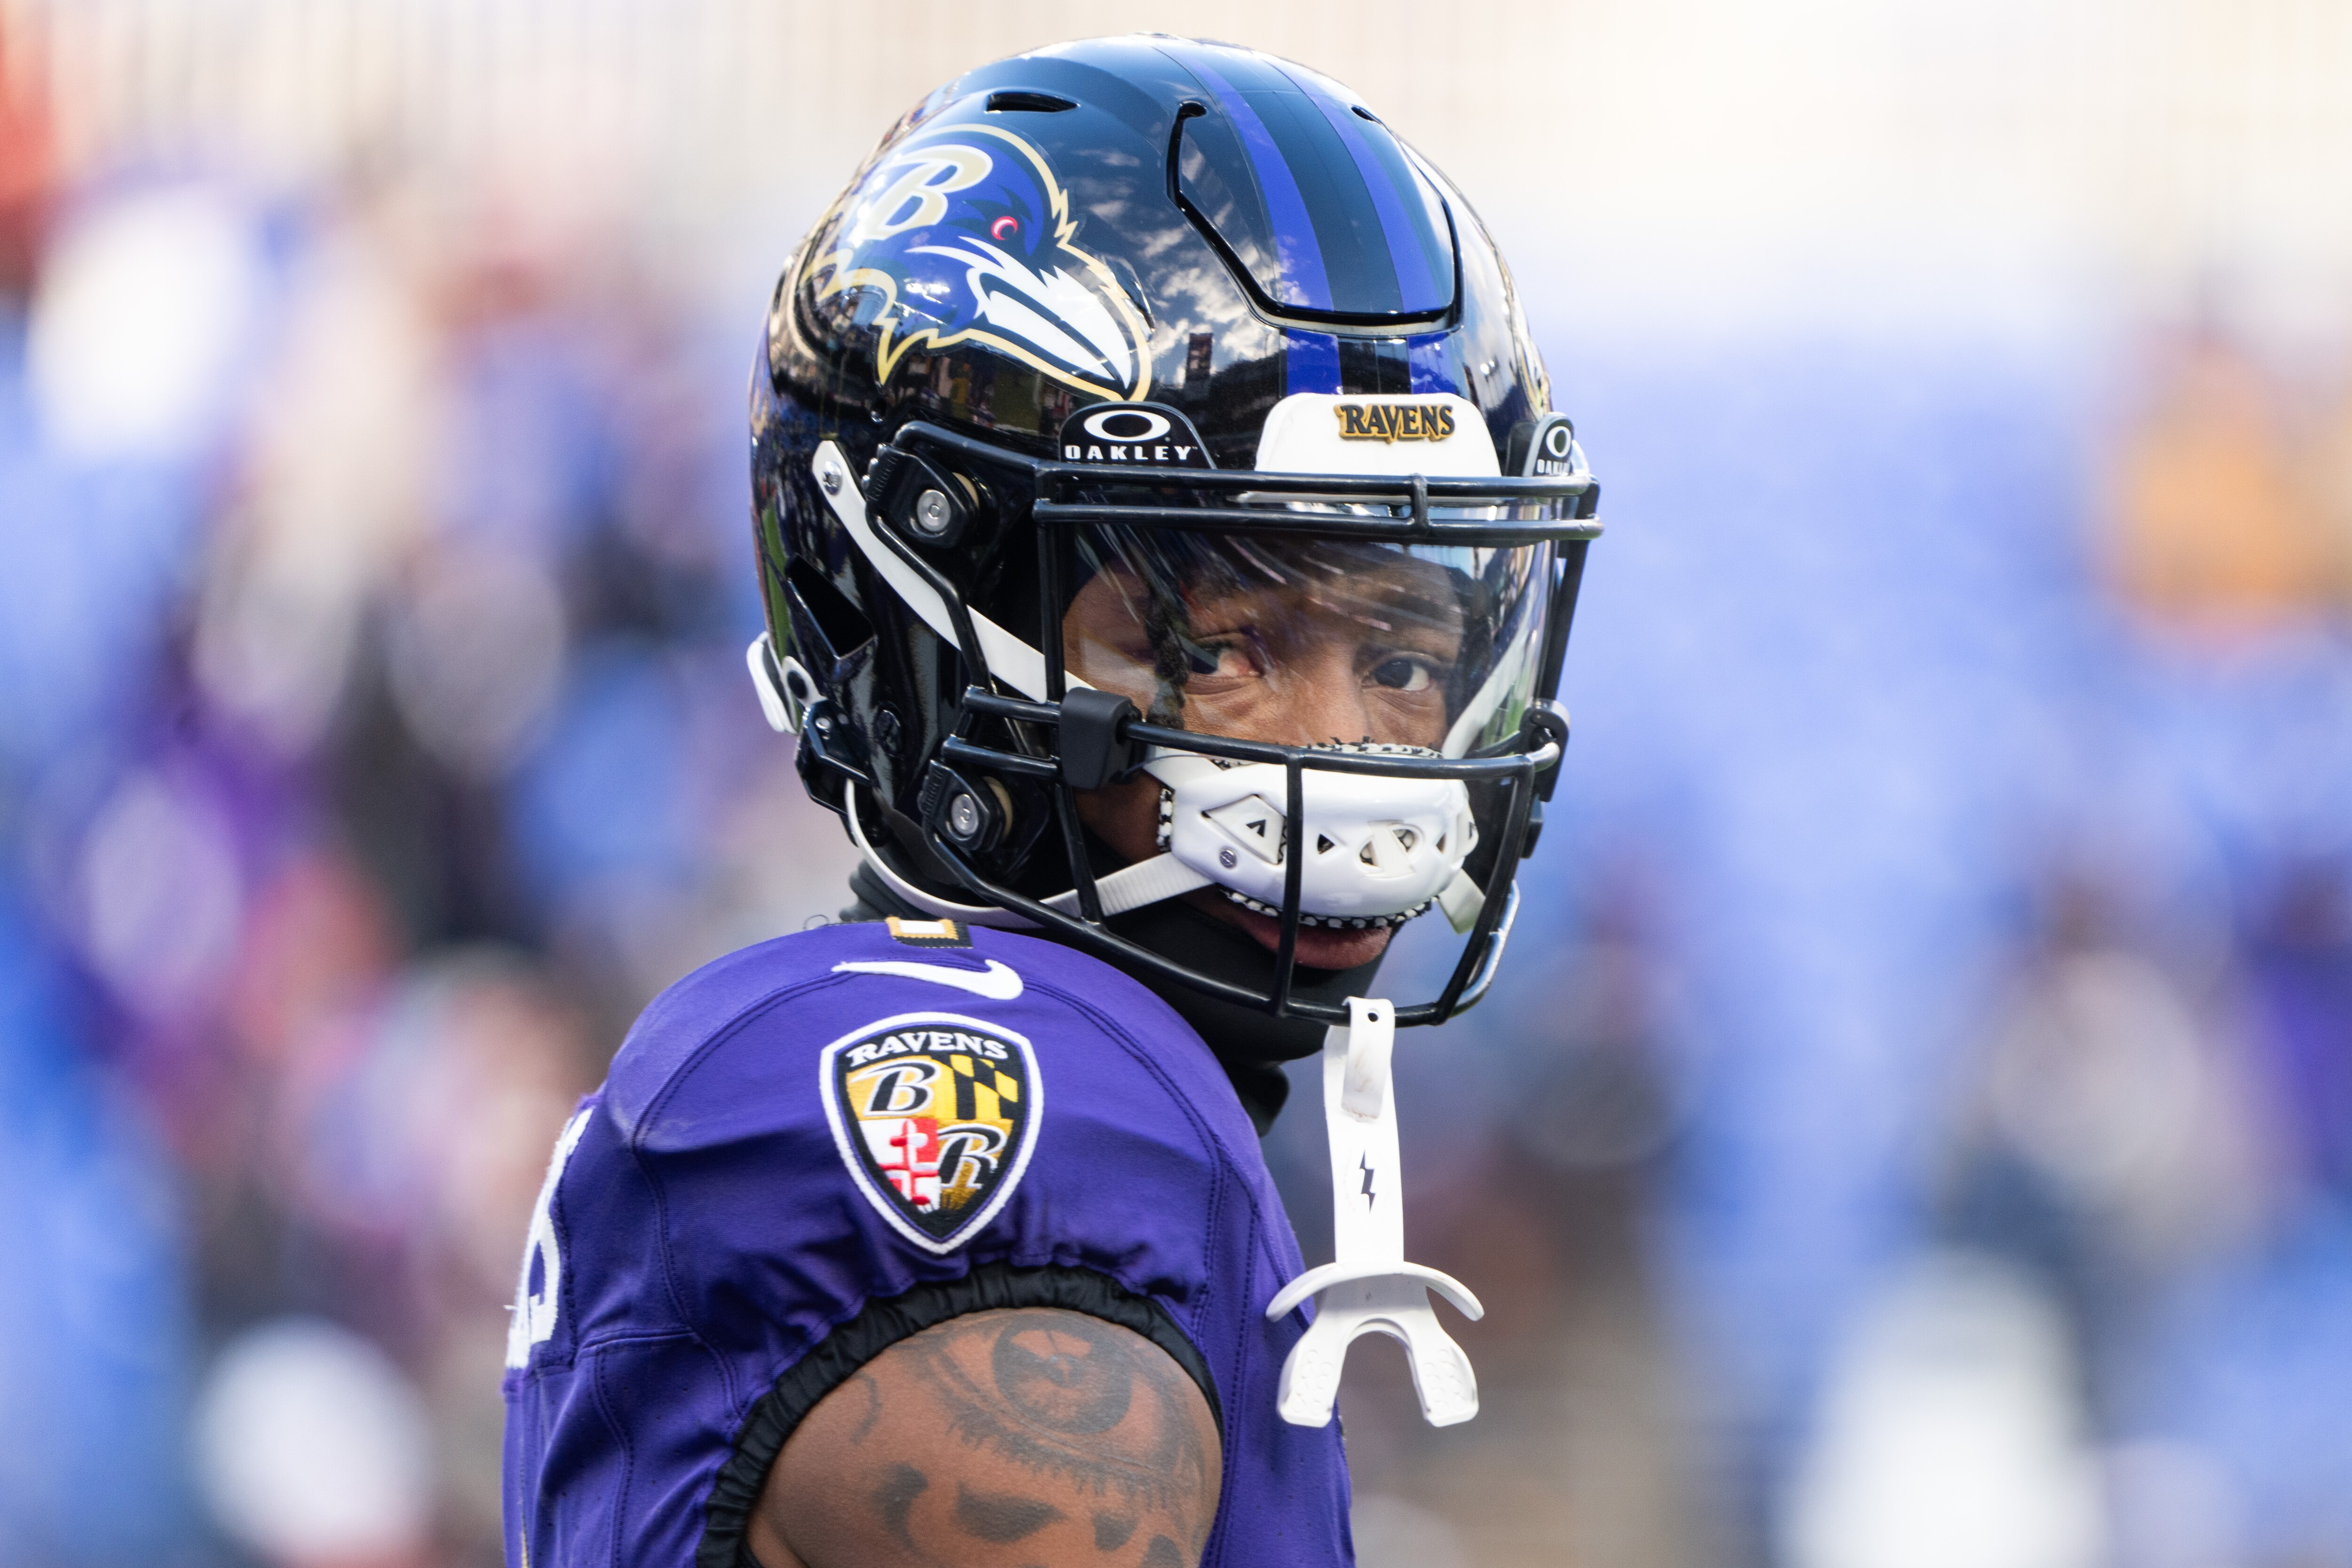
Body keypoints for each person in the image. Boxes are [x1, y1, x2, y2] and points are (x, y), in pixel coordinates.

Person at [501, 34, 1598, 1568]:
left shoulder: (1150, 1102)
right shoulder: (999, 1108)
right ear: (912, 616)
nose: (1350, 747)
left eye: (1406, 657)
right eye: (1224, 646)